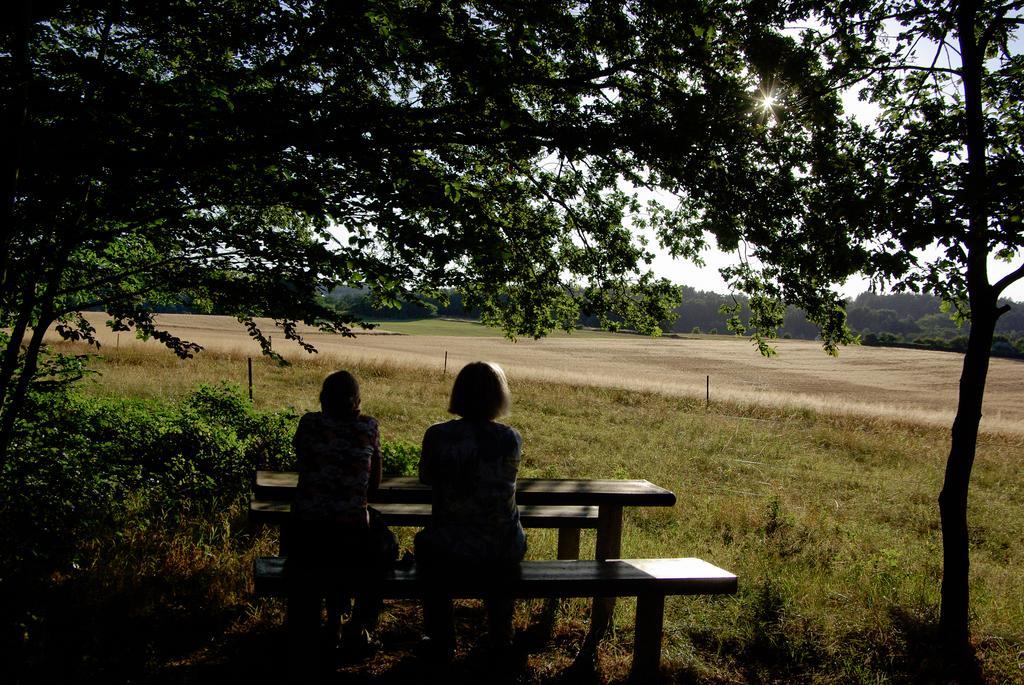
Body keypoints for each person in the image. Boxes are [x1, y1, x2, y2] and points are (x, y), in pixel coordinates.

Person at [286, 370, 397, 676]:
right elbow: (372, 486)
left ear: (323, 399)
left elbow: (306, 467)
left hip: (306, 535)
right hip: (350, 535)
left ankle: (330, 624)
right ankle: (357, 624)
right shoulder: (368, 426)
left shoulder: (309, 424)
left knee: (326, 548)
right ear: (356, 401)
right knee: (383, 548)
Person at [415, 361, 526, 662]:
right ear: (498, 396)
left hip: (449, 547)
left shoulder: (437, 435)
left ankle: (441, 636)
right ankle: (501, 635)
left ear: (459, 394)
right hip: (503, 546)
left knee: (424, 547)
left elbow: (426, 477)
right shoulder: (510, 438)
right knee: (499, 560)